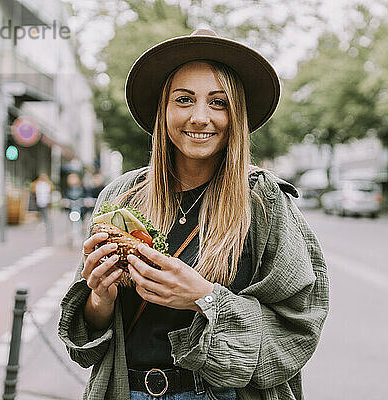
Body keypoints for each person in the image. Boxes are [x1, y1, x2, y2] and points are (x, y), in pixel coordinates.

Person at [59, 29, 329, 400]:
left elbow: (298, 327)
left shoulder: (264, 202)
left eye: (218, 103)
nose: (200, 117)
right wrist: (100, 299)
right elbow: (85, 345)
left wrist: (203, 297)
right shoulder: (121, 197)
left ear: (236, 115)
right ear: (163, 110)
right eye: (184, 100)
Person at [30, 173, 53, 244]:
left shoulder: (46, 184)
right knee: (42, 213)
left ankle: (45, 223)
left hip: (44, 202)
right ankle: (44, 222)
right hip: (40, 202)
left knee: (44, 213)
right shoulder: (38, 184)